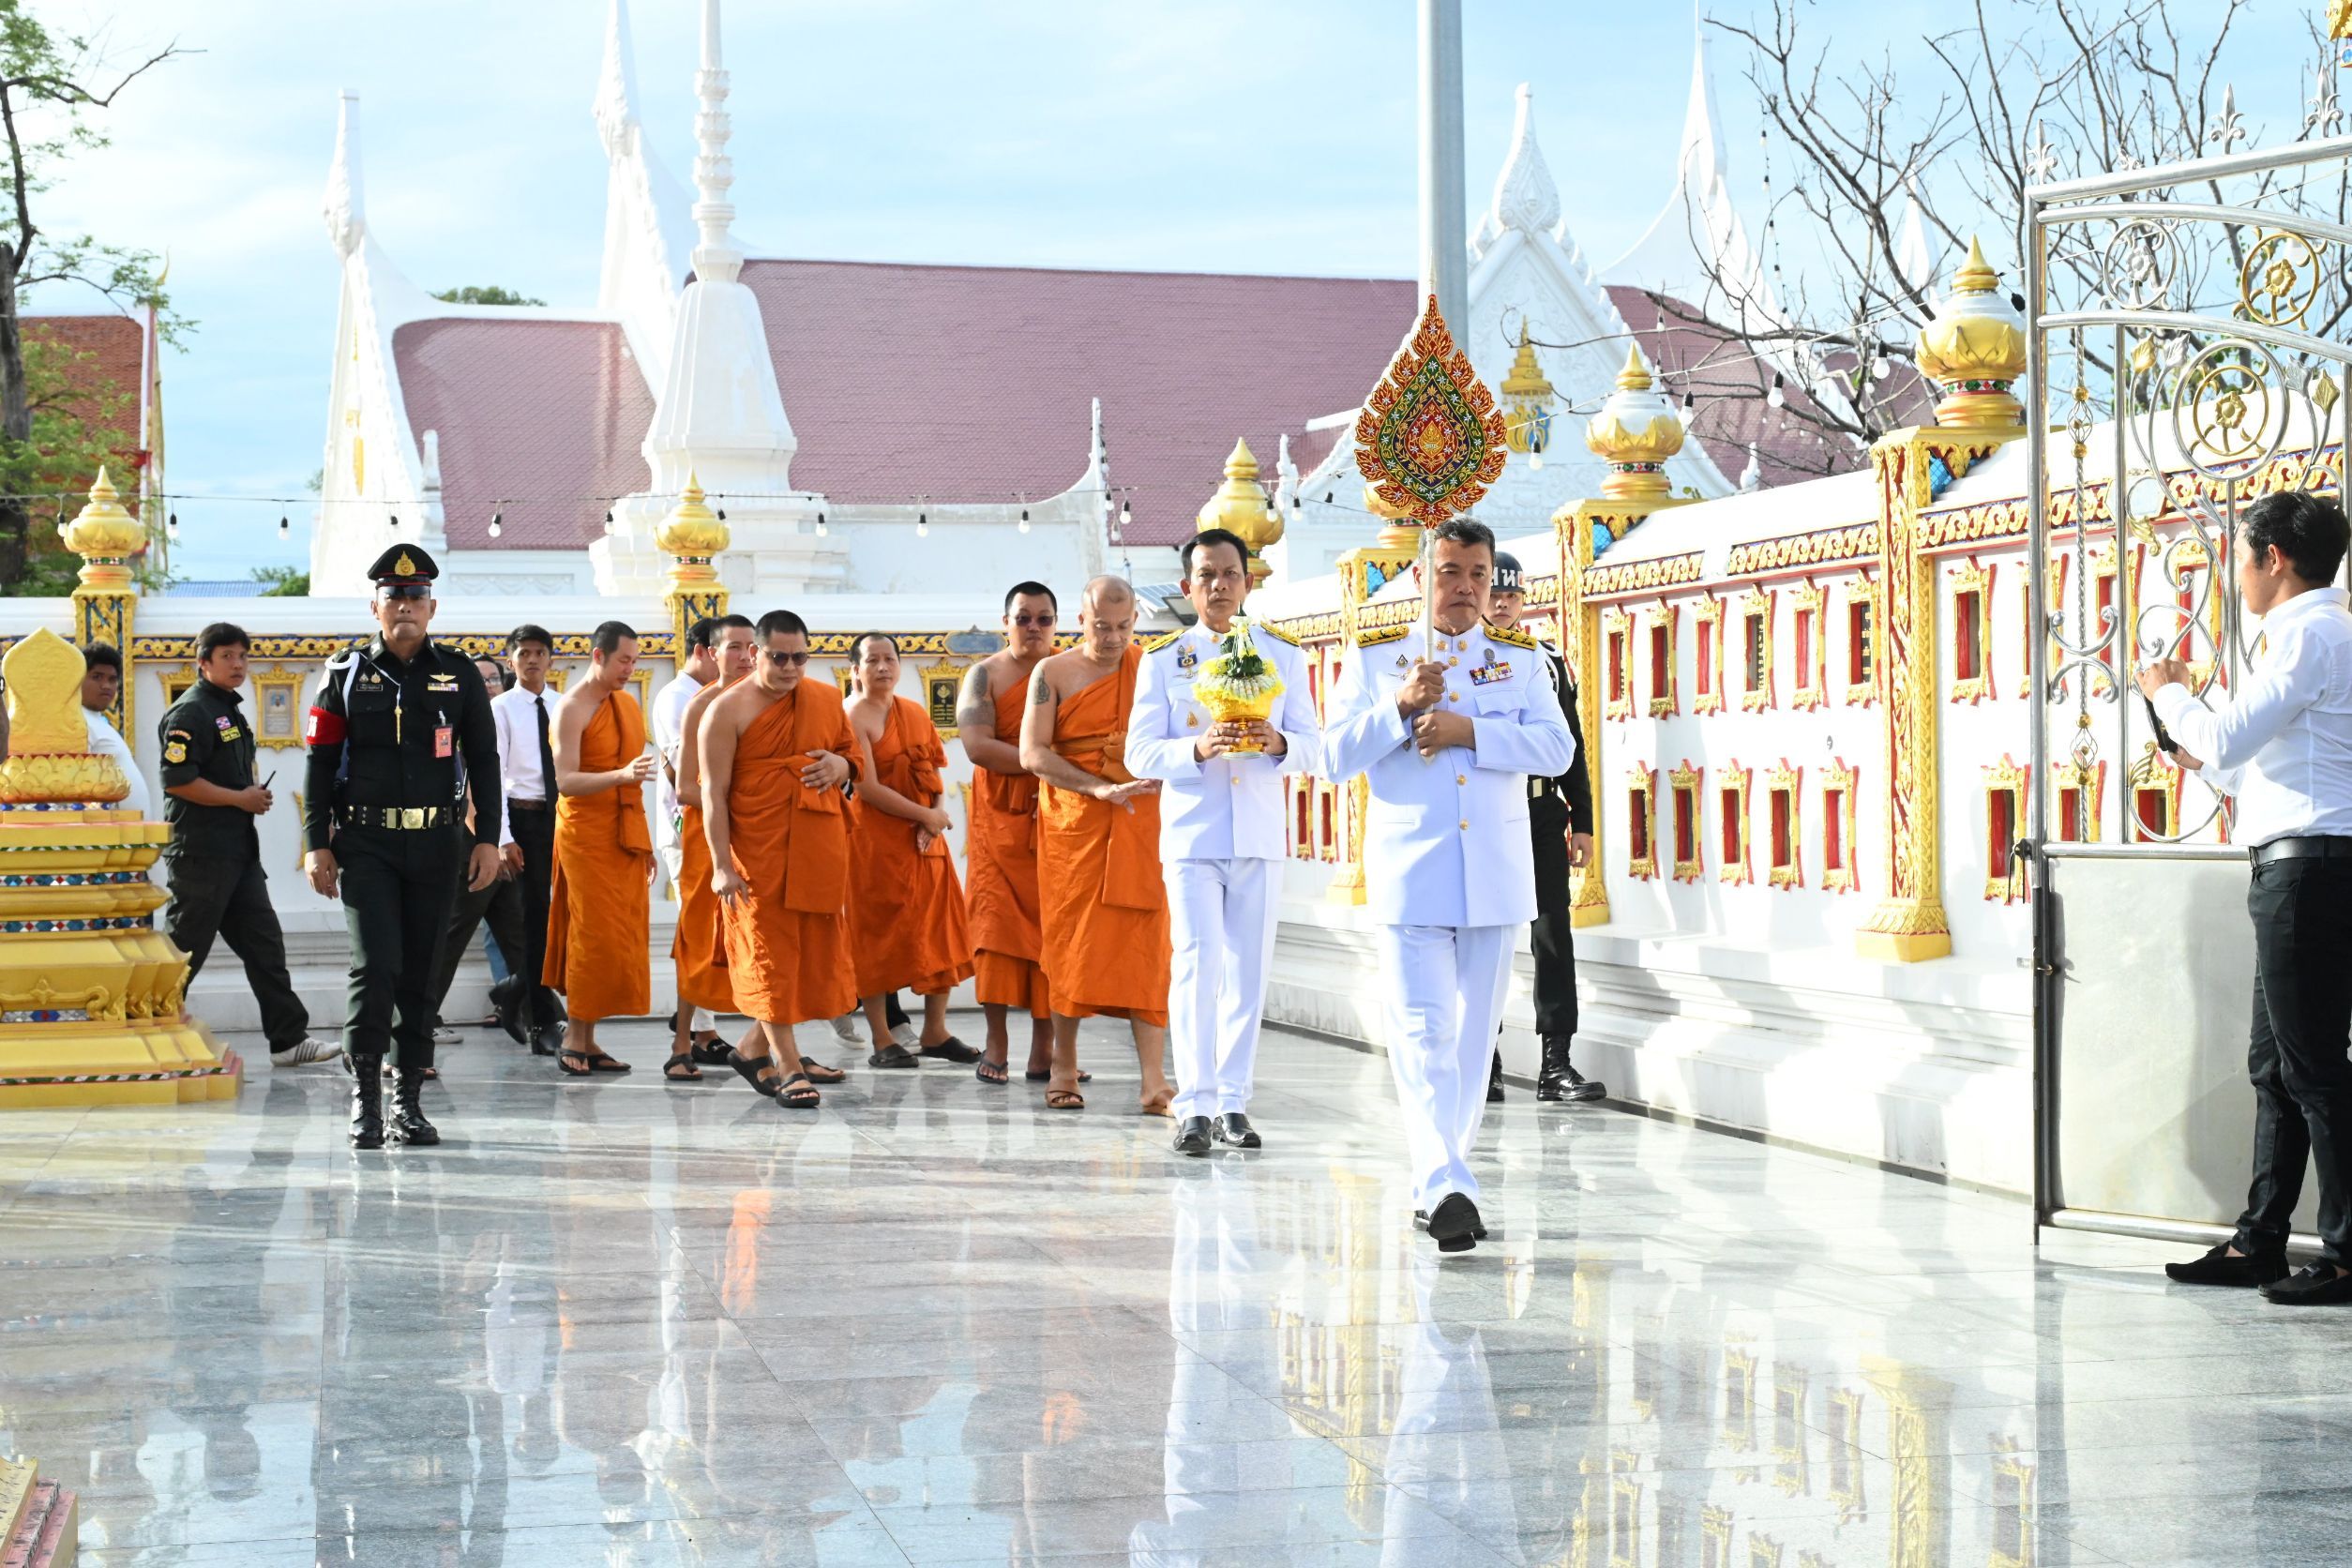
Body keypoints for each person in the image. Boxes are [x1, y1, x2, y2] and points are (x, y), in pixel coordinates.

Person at [1325, 519, 1573, 1253]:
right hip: (1412, 872)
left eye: (1477, 573)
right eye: (1448, 572)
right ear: (1419, 578)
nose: (1464, 588)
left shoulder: (1520, 661)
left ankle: (1442, 1178)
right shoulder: (1376, 660)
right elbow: (1334, 757)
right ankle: (1446, 1183)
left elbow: (1558, 749)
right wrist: (1399, 707)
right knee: (1422, 1032)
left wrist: (1471, 731)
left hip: (1495, 876)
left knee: (1471, 1038)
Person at [2146, 490, 2352, 1305]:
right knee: (2277, 1065)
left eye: (2239, 557)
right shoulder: (2323, 636)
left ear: (2273, 559)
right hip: (2307, 862)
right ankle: (2261, 1239)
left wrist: (2168, 691)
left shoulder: (2306, 634)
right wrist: (2196, 750)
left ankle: (2343, 1252)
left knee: (2312, 1069)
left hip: (2308, 872)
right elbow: (2251, 764)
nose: (2235, 575)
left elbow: (2228, 736)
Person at [1127, 528, 1321, 1155]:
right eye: (1205, 575)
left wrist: (1278, 744)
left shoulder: (1283, 655)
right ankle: (1195, 1106)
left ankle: (1234, 1101)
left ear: (1248, 582)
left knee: (1247, 971)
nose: (1218, 585)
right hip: (1193, 835)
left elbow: (1314, 744)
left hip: (1259, 832)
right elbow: (1139, 751)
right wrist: (1195, 748)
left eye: (1229, 574)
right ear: (1187, 586)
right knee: (1196, 964)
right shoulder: (1164, 659)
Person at [303, 547, 503, 1148]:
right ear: (376, 606)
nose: (406, 608)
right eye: (394, 597)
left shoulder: (460, 673)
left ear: (432, 607)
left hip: (439, 841)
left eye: (416, 598)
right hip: (367, 843)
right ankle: (365, 1101)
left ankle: (407, 1101)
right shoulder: (342, 673)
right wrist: (318, 843)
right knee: (375, 966)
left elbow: (486, 761)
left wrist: (488, 837)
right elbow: (318, 764)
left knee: (421, 971)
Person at [1019, 574, 1173, 1114]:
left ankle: (1155, 1082)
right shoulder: (1052, 672)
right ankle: (1063, 1066)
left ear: (1137, 621)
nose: (1112, 639)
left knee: (1148, 950)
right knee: (1073, 948)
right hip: (1077, 826)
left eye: (1123, 627)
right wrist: (1099, 787)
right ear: (1080, 621)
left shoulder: (1154, 667)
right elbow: (1033, 754)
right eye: (1100, 627)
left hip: (1141, 821)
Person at [158, 622, 337, 1070]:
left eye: (242, 655)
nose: (237, 664)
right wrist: (241, 798)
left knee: (265, 946)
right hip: (200, 854)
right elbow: (177, 781)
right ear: (203, 662)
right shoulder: (190, 712)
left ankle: (288, 1040)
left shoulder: (228, 710)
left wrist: (246, 794)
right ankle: (147, 1026)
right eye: (226, 656)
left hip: (237, 854)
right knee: (183, 950)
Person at [701, 608, 859, 1110]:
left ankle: (752, 1049)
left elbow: (853, 759)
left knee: (806, 963)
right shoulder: (725, 711)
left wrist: (841, 764)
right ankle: (788, 1065)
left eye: (800, 658)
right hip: (756, 855)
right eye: (779, 657)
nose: (791, 668)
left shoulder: (826, 699)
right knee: (768, 959)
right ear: (755, 654)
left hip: (816, 848)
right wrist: (722, 866)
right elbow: (713, 795)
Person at [1485, 554, 1605, 1105]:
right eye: (1495, 592)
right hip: (1485, 813)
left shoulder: (1547, 661)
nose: (1502, 603)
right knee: (1485, 937)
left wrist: (1582, 820)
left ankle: (1556, 1062)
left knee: (1553, 936)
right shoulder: (1459, 659)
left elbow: (1572, 746)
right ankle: (1483, 1058)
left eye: (1512, 594)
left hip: (1539, 812)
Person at [845, 630, 978, 1066]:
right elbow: (866, 787)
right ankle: (883, 1039)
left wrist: (934, 817)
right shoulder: (851, 715)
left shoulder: (915, 712)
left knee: (939, 930)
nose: (883, 667)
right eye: (872, 660)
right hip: (875, 842)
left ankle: (935, 1031)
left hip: (925, 841)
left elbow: (935, 773)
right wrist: (925, 817)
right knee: (876, 936)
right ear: (855, 670)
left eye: (890, 659)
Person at [958, 580, 1065, 1086]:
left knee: (1055, 932)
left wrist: (1059, 770)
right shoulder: (984, 676)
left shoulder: (1069, 672)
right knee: (995, 931)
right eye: (1023, 617)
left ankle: (1047, 1048)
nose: (1034, 628)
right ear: (1006, 622)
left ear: (1057, 625)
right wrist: (1040, 762)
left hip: (1057, 817)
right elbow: (977, 747)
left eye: (1044, 619)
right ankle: (997, 1040)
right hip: (999, 821)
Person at [544, 620, 656, 1078]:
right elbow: (566, 781)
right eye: (623, 660)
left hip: (622, 830)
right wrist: (621, 776)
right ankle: (574, 1035)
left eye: (633, 660)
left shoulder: (626, 704)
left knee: (618, 935)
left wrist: (643, 841)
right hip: (585, 834)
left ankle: (589, 1040)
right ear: (598, 656)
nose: (630, 669)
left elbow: (633, 777)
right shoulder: (571, 708)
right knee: (590, 932)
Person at [667, 614, 757, 1073]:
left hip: (759, 839)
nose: (744, 656)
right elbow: (684, 787)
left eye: (750, 646)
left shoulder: (767, 701)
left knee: (766, 940)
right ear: (712, 653)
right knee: (700, 941)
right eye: (734, 647)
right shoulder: (701, 706)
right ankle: (682, 1045)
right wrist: (730, 795)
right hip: (709, 842)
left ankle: (773, 1047)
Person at [427, 654, 528, 1055]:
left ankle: (539, 1016)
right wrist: (490, 843)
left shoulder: (511, 723)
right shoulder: (459, 727)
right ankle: (423, 1018)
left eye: (493, 679)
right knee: (451, 935)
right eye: (480, 680)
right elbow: (468, 793)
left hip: (509, 845)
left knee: (521, 934)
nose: (488, 686)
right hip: (475, 845)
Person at [654, 616, 731, 1055]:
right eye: (730, 648)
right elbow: (683, 771)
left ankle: (704, 1027)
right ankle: (697, 1033)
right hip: (690, 828)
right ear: (704, 650)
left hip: (723, 826)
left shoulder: (727, 696)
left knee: (717, 929)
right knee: (697, 929)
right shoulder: (678, 698)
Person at [490, 626, 565, 1055]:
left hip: (562, 817)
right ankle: (542, 1022)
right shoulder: (501, 708)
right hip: (523, 817)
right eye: (524, 653)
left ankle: (514, 989)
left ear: (551, 659)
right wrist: (502, 836)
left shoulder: (562, 704)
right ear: (511, 660)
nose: (532, 660)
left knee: (557, 919)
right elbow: (494, 776)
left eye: (540, 652)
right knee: (533, 918)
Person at [78, 642, 150, 816]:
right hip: (106, 835)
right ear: (77, 678)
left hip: (129, 836)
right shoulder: (76, 722)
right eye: (97, 677)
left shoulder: (97, 721)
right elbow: (78, 785)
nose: (106, 685)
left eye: (112, 679)